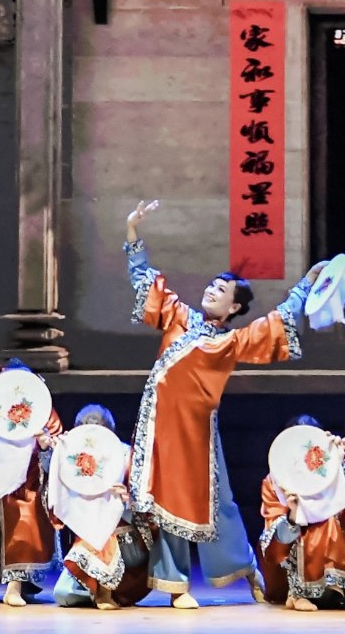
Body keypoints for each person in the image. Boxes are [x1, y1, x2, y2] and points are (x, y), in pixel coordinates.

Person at [122, 199, 329, 608]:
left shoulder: (230, 342)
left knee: (217, 504)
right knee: (163, 503)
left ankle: (244, 566)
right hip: (159, 428)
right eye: (211, 285)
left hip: (195, 432)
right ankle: (176, 585)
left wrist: (305, 285)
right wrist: (132, 232)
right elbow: (146, 281)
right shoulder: (179, 317)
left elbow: (277, 321)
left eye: (221, 290)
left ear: (234, 307)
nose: (210, 291)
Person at [258, 416, 345, 611]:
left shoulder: (333, 473)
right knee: (303, 524)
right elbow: (275, 548)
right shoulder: (274, 481)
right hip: (287, 561)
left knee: (327, 521)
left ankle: (333, 587)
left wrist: (339, 465)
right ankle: (298, 593)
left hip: (334, 551)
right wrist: (293, 516)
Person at [50, 404, 154, 610]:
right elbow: (56, 496)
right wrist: (54, 452)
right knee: (63, 594)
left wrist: (128, 500)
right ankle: (100, 589)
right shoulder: (72, 460)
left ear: (109, 430)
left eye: (98, 426)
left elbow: (149, 505)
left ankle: (107, 591)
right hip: (88, 543)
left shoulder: (127, 456)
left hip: (127, 543)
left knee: (105, 521)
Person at [0, 360, 62, 606]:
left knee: (25, 512)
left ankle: (16, 585)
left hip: (30, 482)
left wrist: (45, 446)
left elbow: (58, 449)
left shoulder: (43, 409)